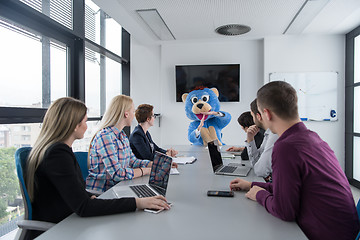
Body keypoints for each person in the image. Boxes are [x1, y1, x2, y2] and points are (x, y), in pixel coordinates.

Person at [229, 81, 359, 240]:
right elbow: (291, 188)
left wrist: (260, 195)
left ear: (267, 114)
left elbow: (284, 210)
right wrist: (252, 185)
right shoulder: (311, 137)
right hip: (344, 231)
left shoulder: (285, 147)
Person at [26, 97, 170, 239]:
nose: (87, 126)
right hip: (64, 227)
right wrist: (138, 202)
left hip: (72, 218)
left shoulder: (58, 150)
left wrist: (90, 197)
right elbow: (84, 207)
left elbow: (74, 193)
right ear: (74, 125)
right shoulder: (58, 155)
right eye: (84, 121)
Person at [86, 95, 153, 192]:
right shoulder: (105, 137)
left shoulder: (122, 135)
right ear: (126, 114)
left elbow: (132, 161)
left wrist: (154, 164)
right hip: (103, 192)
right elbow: (118, 174)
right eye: (133, 111)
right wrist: (146, 171)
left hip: (119, 187)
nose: (134, 115)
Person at [244, 99, 278, 181]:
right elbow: (257, 162)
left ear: (258, 116)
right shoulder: (268, 133)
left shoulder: (274, 135)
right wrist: (250, 139)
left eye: (252, 116)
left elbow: (260, 171)